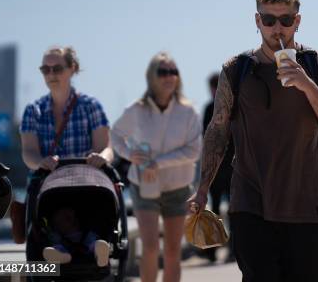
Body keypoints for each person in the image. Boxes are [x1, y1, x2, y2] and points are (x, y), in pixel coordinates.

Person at [188, 0, 318, 281]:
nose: (278, 29)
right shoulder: (236, 70)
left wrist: (305, 84)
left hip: (306, 205)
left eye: (286, 20)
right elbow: (218, 131)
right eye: (269, 20)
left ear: (297, 21)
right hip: (251, 204)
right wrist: (201, 189)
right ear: (257, 21)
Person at [111, 52, 202, 282]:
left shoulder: (188, 111)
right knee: (150, 247)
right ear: (152, 76)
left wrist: (157, 163)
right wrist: (130, 154)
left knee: (172, 252)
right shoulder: (137, 109)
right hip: (144, 186)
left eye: (173, 71)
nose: (169, 76)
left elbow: (194, 150)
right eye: (163, 72)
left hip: (178, 187)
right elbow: (115, 135)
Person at [20, 46, 113, 260]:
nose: (51, 75)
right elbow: (29, 153)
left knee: (93, 202)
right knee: (50, 206)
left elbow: (106, 147)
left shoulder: (91, 106)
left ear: (73, 69)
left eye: (57, 68)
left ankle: (90, 246)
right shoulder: (33, 110)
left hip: (87, 181)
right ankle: (61, 250)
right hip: (49, 184)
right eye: (46, 69)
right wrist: (40, 162)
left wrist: (103, 157)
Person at [202, 72, 235, 263]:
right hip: (215, 170)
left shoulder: (232, 106)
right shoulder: (208, 109)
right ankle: (211, 251)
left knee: (233, 211)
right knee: (213, 212)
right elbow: (205, 138)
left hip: (231, 168)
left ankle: (233, 249)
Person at [42, 207, 110, 267]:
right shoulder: (58, 236)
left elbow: (94, 239)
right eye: (56, 224)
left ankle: (101, 257)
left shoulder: (87, 233)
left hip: (88, 251)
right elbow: (53, 240)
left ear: (73, 220)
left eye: (59, 223)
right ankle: (61, 257)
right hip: (66, 251)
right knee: (55, 248)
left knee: (97, 244)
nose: (56, 226)